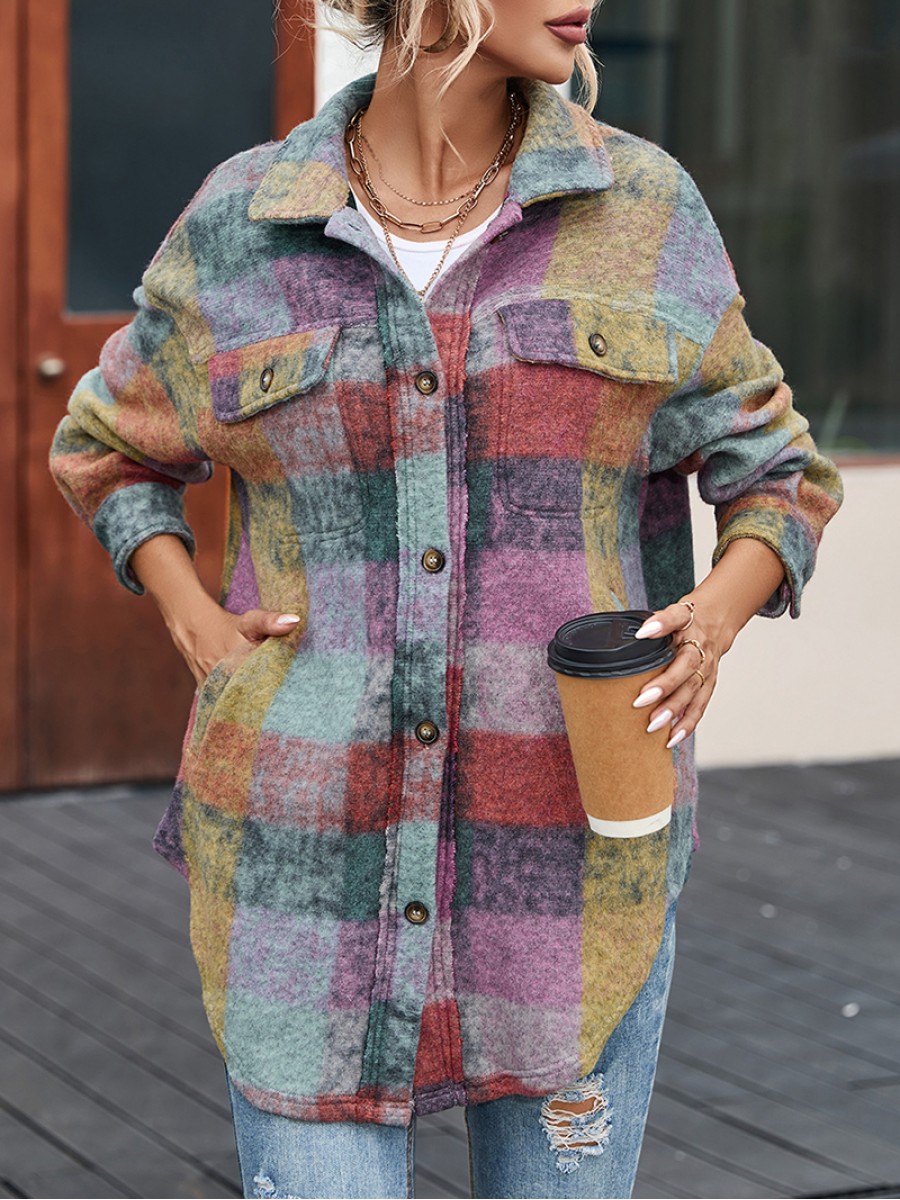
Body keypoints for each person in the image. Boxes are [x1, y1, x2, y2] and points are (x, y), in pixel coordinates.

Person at [48, 1, 843, 1196]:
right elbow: (106, 444)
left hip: (569, 877)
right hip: (304, 873)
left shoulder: (642, 211)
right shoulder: (242, 222)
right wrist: (192, 617)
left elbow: (780, 470)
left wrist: (717, 617)